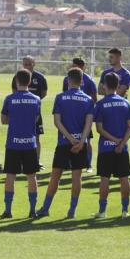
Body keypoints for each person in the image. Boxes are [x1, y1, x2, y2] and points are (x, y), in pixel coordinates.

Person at [37, 67, 94, 219]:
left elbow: (57, 122)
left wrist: (69, 138)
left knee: (55, 176)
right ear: (82, 81)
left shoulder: (60, 97)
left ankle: (45, 208)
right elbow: (89, 124)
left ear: (68, 80)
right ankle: (72, 211)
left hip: (63, 142)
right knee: (77, 177)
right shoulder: (88, 100)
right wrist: (81, 141)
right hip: (80, 144)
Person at [1, 69, 41, 219]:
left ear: (16, 81)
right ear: (29, 82)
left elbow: (3, 120)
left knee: (10, 176)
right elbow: (36, 118)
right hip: (30, 143)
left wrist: (15, 120)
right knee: (32, 177)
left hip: (13, 143)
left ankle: (8, 210)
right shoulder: (36, 99)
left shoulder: (9, 99)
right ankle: (32, 210)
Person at [93, 73, 130, 219]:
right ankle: (125, 210)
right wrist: (121, 143)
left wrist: (114, 140)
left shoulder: (100, 104)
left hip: (105, 148)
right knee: (124, 178)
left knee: (105, 179)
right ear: (118, 85)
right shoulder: (125, 103)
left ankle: (102, 211)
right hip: (122, 149)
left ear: (104, 85)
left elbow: (99, 128)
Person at [11, 56, 48, 167]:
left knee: (36, 136)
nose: (27, 66)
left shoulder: (40, 77)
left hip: (34, 112)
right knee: (20, 135)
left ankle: (36, 161)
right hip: (20, 112)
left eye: (29, 64)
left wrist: (32, 103)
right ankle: (20, 161)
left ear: (34, 64)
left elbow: (44, 92)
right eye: (25, 64)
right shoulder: (17, 77)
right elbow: (14, 92)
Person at [62, 58, 97, 172]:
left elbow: (94, 98)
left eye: (75, 66)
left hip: (84, 116)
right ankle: (68, 162)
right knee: (67, 138)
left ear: (82, 67)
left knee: (87, 139)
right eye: (72, 65)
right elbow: (64, 96)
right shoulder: (66, 79)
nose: (72, 68)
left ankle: (89, 164)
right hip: (70, 114)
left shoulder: (89, 80)